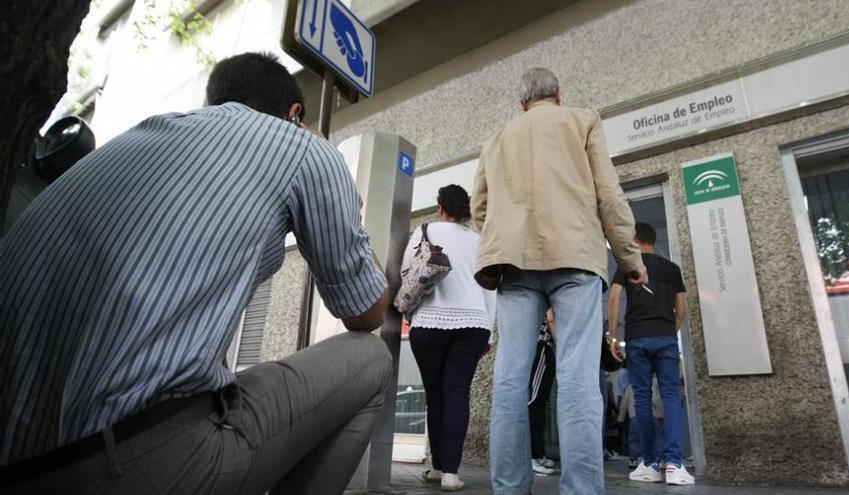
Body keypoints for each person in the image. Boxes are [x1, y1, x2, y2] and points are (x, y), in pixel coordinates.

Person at [0, 52, 392, 495]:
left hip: (16, 460)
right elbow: (366, 311)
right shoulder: (302, 148)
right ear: (294, 114)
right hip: (123, 464)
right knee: (373, 357)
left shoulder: (138, 135)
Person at [472, 67, 646, 495]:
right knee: (578, 379)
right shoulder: (582, 121)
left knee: (511, 377)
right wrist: (630, 258)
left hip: (514, 264)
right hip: (575, 259)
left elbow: (480, 208)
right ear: (559, 95)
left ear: (522, 103)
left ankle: (510, 488)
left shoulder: (497, 138)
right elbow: (608, 193)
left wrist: (503, 241)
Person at [402, 184, 495, 492]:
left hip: (429, 321)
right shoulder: (479, 241)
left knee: (435, 394)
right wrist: (490, 331)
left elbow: (407, 272)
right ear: (466, 211)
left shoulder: (424, 231)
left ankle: (439, 465)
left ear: (440, 207)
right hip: (473, 323)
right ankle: (450, 473)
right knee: (457, 392)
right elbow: (489, 288)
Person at [607, 222, 695, 485]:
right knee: (670, 398)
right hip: (665, 337)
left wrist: (613, 336)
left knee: (642, 400)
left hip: (637, 339)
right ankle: (675, 465)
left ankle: (650, 463)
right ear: (653, 241)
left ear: (634, 240)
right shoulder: (672, 268)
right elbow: (681, 308)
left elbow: (613, 298)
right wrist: (669, 329)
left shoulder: (628, 266)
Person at [528, 312, 557, 476]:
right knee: (535, 402)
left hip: (545, 347)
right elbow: (550, 317)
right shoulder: (545, 293)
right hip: (542, 345)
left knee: (539, 403)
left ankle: (538, 454)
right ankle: (532, 456)